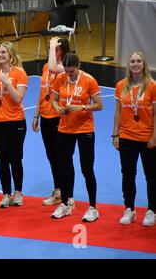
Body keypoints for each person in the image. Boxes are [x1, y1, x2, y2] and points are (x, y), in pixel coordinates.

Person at [50, 53, 103, 222]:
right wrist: (57, 108)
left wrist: (82, 107)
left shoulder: (89, 80)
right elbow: (54, 99)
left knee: (87, 168)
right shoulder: (60, 78)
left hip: (84, 128)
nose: (69, 74)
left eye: (72, 72)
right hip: (65, 128)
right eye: (66, 71)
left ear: (78, 66)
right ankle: (66, 204)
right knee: (63, 167)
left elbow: (99, 105)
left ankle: (93, 207)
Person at [112, 52, 156, 227]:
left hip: (147, 138)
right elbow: (118, 112)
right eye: (132, 61)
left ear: (144, 65)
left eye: (139, 61)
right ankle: (129, 209)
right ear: (128, 65)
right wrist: (115, 134)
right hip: (127, 137)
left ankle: (152, 210)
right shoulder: (121, 86)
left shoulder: (152, 86)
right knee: (127, 175)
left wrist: (154, 136)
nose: (135, 64)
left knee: (151, 176)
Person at [32, 37, 70, 205]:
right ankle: (58, 190)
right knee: (51, 157)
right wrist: (36, 115)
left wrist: (53, 45)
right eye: (51, 49)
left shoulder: (63, 67)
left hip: (58, 118)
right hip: (45, 117)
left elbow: (55, 66)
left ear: (63, 51)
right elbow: (42, 92)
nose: (52, 51)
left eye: (55, 49)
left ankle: (65, 191)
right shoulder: (47, 67)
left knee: (61, 156)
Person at [0, 42, 28, 208]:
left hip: (15, 122)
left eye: (3, 52)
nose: (0, 55)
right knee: (1, 160)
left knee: (15, 158)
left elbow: (18, 98)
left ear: (11, 55)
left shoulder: (19, 73)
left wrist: (7, 83)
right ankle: (6, 193)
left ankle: (18, 192)